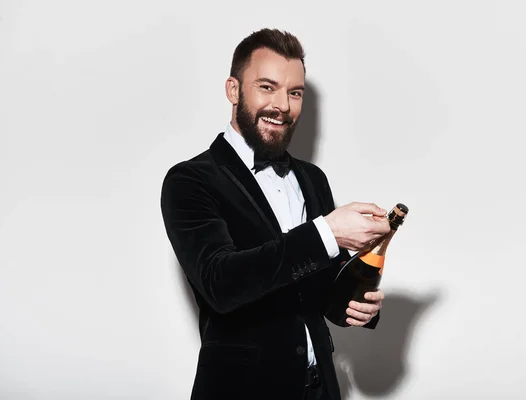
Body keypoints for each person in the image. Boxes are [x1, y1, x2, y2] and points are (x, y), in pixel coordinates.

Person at [160, 28, 391, 400]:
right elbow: (222, 283)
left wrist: (358, 302)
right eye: (267, 87)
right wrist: (328, 233)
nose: (282, 104)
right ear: (233, 90)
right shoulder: (189, 180)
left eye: (294, 92)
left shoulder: (313, 179)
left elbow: (319, 289)